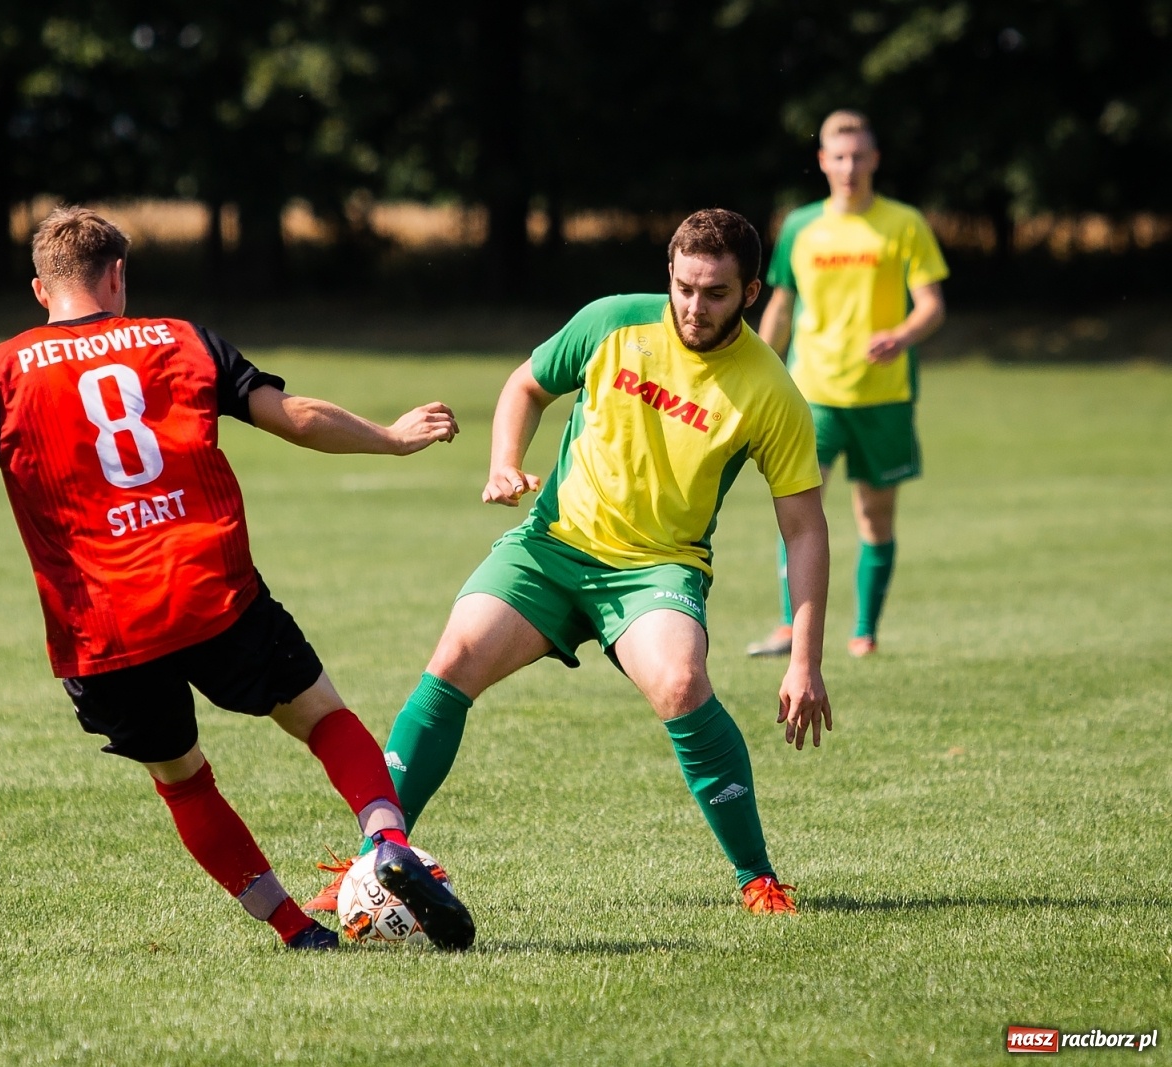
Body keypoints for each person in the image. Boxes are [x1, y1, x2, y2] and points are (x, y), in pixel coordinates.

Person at [0, 205, 475, 952]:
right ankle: (387, 839)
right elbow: (295, 414)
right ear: (117, 276)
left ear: (41, 290)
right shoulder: (179, 339)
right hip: (210, 592)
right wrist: (391, 437)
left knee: (183, 778)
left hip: (103, 628)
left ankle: (295, 928)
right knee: (317, 714)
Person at [308, 209, 831, 917]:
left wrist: (804, 659)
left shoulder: (770, 391)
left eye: (715, 293)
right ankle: (377, 858)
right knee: (455, 654)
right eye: (683, 287)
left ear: (752, 293)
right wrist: (504, 464)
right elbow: (526, 385)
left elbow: (803, 529)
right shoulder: (612, 321)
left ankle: (757, 877)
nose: (694, 307)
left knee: (680, 681)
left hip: (655, 570)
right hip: (552, 548)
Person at [746, 109, 948, 659]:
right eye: (839, 156)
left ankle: (865, 632)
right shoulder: (800, 226)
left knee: (873, 515)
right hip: (812, 393)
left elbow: (931, 305)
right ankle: (791, 629)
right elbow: (781, 305)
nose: (850, 166)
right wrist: (761, 369)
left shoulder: (905, 223)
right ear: (822, 162)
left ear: (874, 160)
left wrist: (902, 336)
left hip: (884, 396)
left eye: (860, 155)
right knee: (798, 508)